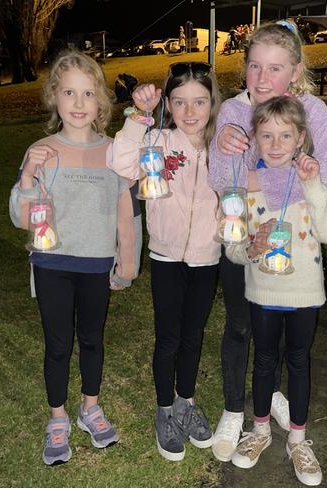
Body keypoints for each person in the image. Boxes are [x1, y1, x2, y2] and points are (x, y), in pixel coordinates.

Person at [207, 20, 327, 463]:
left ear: (294, 71)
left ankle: (287, 427)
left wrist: (259, 171)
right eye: (254, 66)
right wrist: (226, 146)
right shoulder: (234, 112)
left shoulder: (312, 110)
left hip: (301, 255)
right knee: (245, 332)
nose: (263, 79)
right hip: (250, 243)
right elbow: (222, 180)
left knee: (293, 352)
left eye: (275, 68)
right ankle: (243, 416)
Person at [8, 49, 142, 466]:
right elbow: (20, 217)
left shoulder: (114, 153)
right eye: (69, 92)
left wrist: (128, 262)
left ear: (101, 101)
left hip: (96, 265)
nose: (79, 103)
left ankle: (90, 407)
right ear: (54, 97)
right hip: (52, 265)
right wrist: (29, 175)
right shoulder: (42, 149)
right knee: (58, 344)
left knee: (92, 339)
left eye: (88, 93)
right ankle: (58, 417)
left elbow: (127, 214)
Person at [225, 95, 327, 486]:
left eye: (285, 136)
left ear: (301, 139)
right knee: (264, 360)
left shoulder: (312, 181)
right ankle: (259, 430)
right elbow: (233, 246)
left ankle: (297, 438)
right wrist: (251, 248)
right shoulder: (248, 187)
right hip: (262, 294)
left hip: (305, 294)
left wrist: (314, 185)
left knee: (298, 361)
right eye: (266, 136)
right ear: (255, 140)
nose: (275, 144)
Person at [111, 62, 221, 462]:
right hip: (166, 256)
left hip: (207, 258)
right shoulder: (158, 140)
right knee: (169, 339)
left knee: (193, 335)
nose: (190, 112)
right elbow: (120, 162)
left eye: (200, 101)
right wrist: (139, 118)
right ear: (168, 106)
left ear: (213, 102)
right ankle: (163, 409)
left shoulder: (222, 146)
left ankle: (185, 402)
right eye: (179, 102)